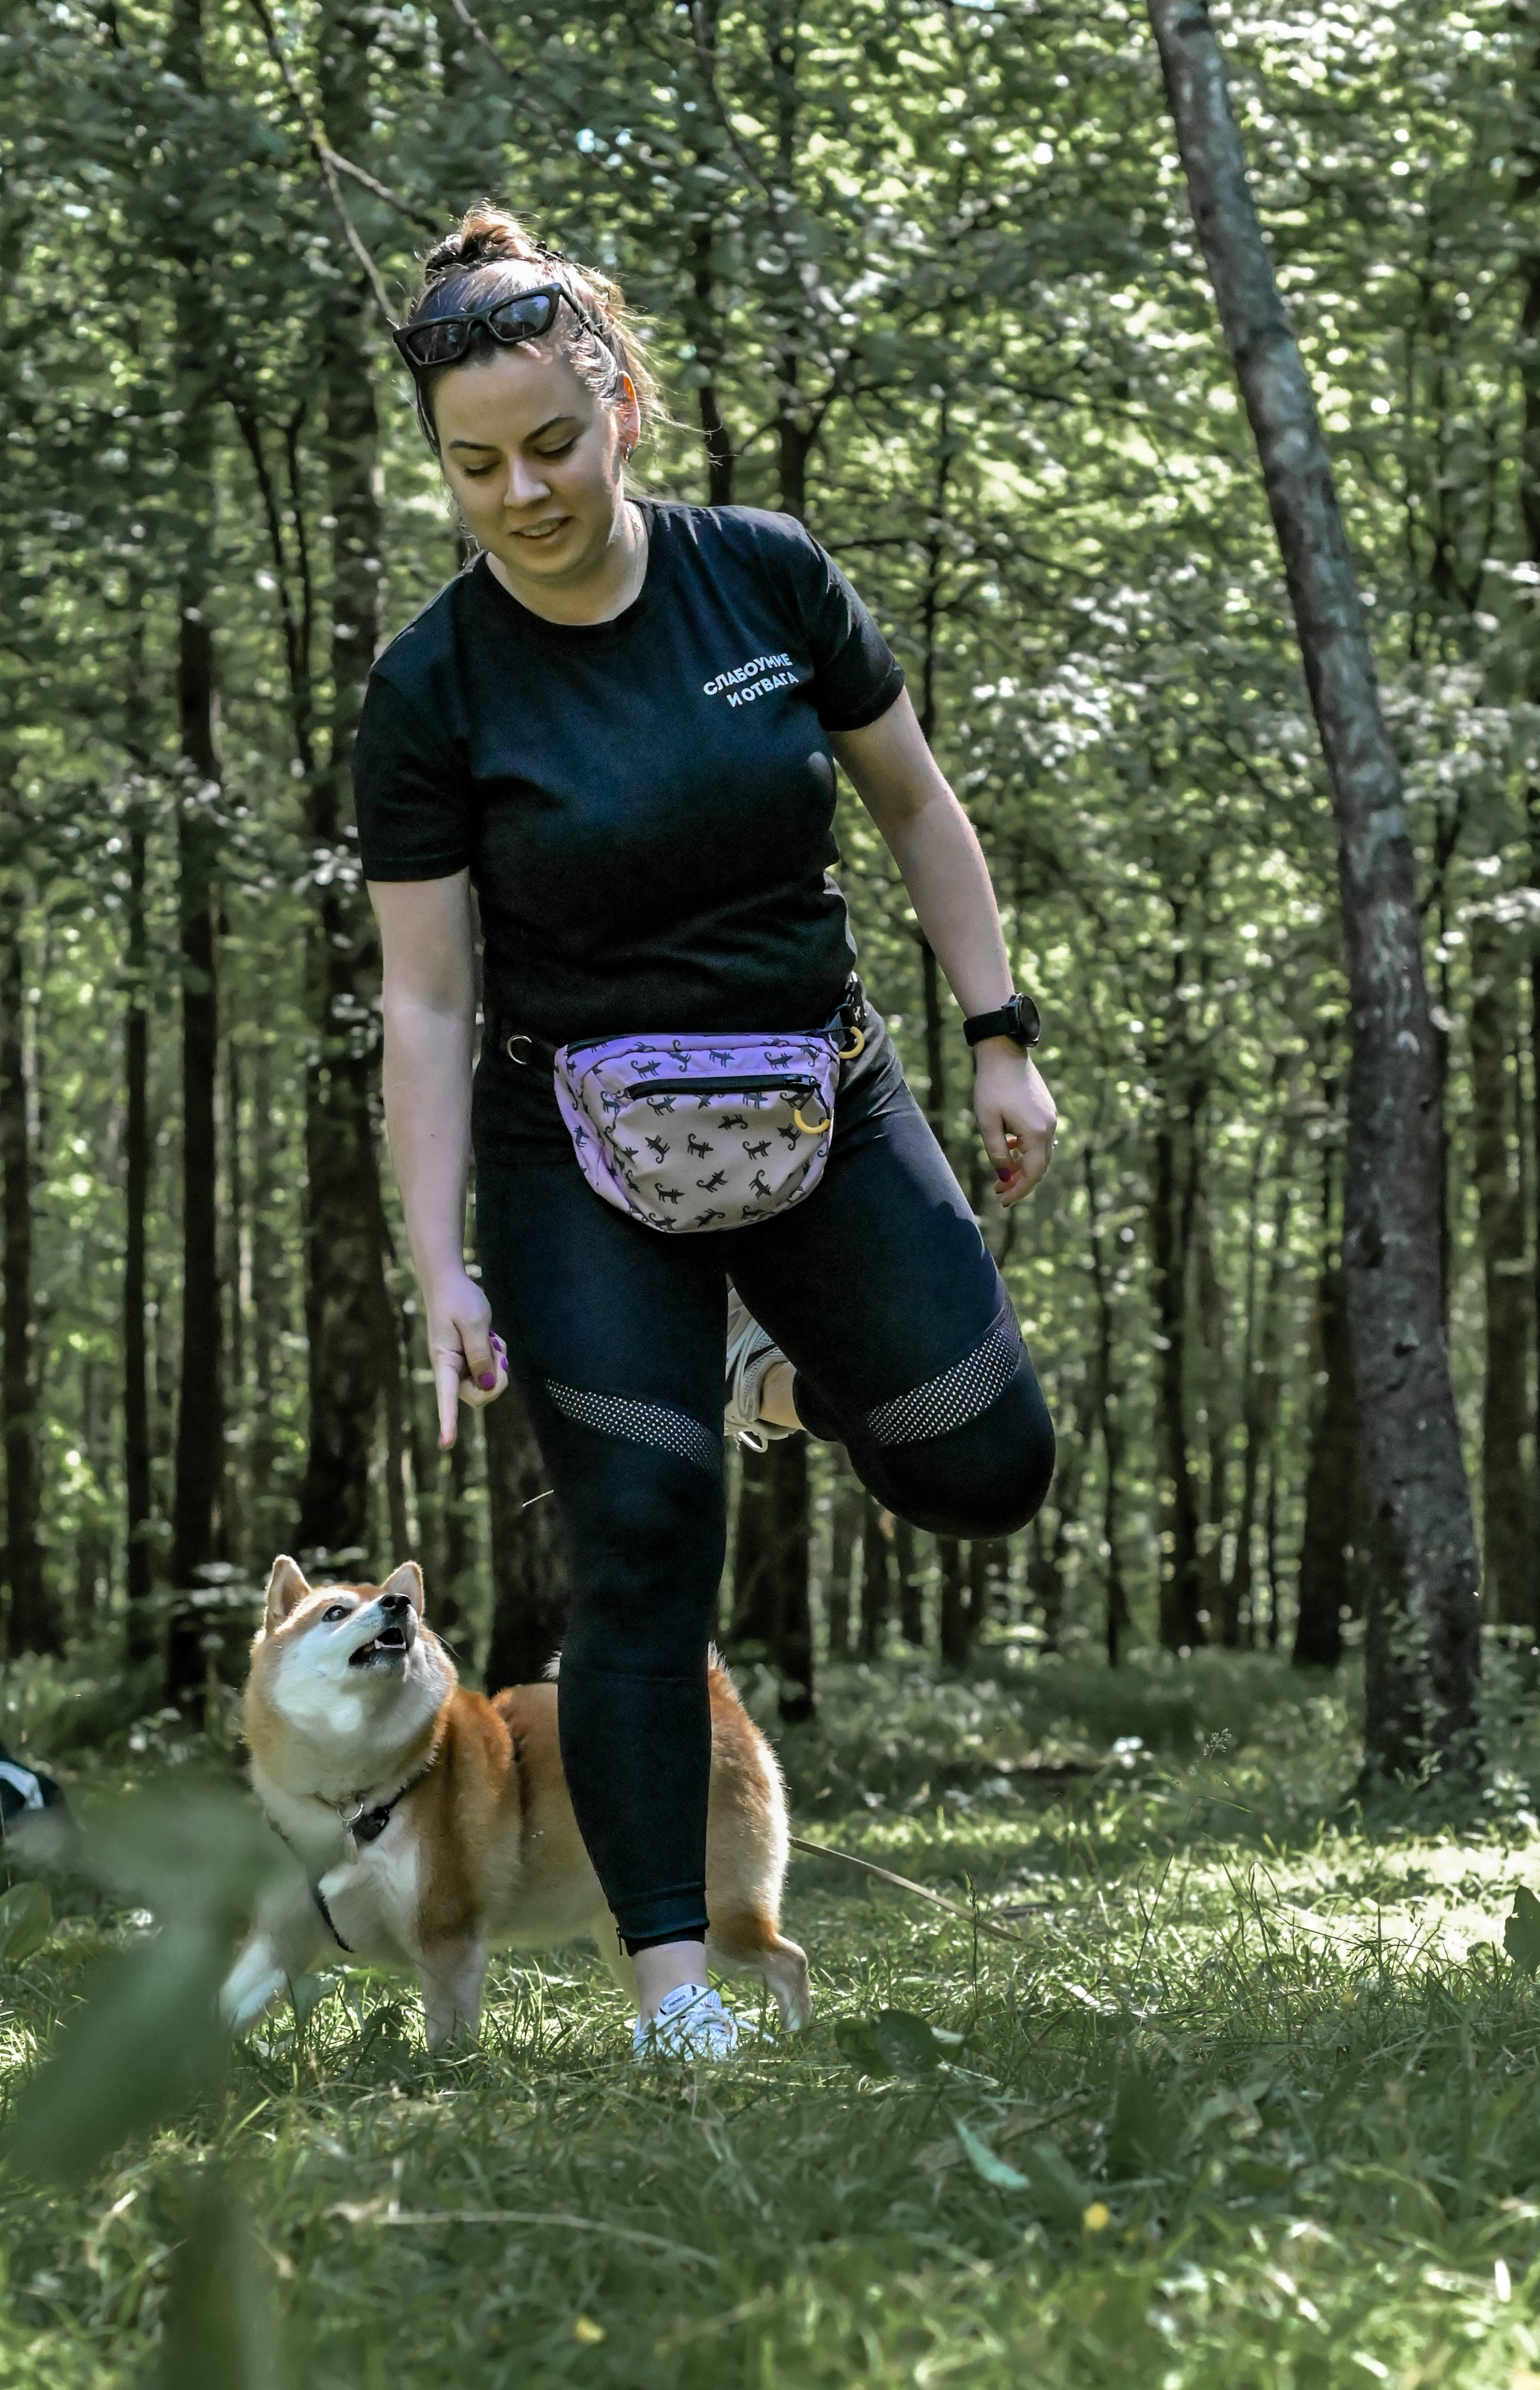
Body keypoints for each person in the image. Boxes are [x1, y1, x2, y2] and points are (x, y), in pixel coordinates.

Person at [355, 204, 1057, 2059]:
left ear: (627, 406)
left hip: (817, 1093)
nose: (521, 492)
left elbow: (914, 805)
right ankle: (676, 1991)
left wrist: (1000, 1034)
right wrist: (436, 1258)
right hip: (576, 1147)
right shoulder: (432, 687)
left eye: (553, 445)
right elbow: (426, 999)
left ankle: (779, 1381)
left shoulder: (767, 578)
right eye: (474, 464)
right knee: (644, 1539)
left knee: (990, 1462)